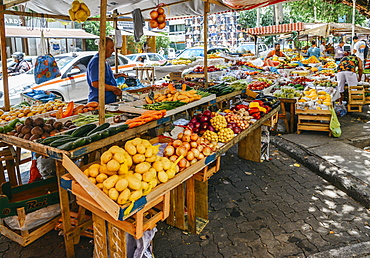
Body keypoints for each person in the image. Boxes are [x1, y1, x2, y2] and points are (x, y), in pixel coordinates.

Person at [86, 37, 123, 104]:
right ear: (103, 48)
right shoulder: (96, 61)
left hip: (109, 100)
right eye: (111, 48)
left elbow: (104, 78)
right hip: (99, 101)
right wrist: (114, 89)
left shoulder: (104, 60)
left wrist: (118, 75)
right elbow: (95, 83)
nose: (113, 50)